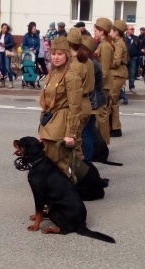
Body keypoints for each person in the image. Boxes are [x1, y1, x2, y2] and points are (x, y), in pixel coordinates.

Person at [38, 36, 83, 177]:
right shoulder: (51, 74)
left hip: (61, 124)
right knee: (49, 161)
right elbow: (46, 103)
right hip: (49, 122)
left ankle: (64, 192)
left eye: (60, 54)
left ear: (67, 55)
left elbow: (75, 107)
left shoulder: (71, 76)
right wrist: (41, 128)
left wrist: (71, 133)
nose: (56, 57)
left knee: (59, 163)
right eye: (53, 53)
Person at [67, 28, 95, 160]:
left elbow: (71, 89)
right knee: (80, 139)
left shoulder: (74, 64)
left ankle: (81, 174)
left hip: (77, 104)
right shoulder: (87, 60)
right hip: (86, 102)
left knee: (75, 143)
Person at [81, 35, 106, 161]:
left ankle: (88, 159)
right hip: (95, 99)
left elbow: (87, 85)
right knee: (89, 131)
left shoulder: (90, 63)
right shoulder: (92, 61)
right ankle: (89, 158)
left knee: (86, 132)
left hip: (92, 100)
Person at [94, 18, 114, 143]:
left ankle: (103, 144)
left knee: (102, 116)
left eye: (96, 30)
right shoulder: (102, 44)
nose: (94, 32)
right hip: (103, 84)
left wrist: (98, 84)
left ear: (102, 31)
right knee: (100, 116)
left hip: (103, 85)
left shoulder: (105, 46)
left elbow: (105, 70)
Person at [110, 20, 128, 138]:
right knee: (112, 102)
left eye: (111, 30)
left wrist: (104, 63)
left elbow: (116, 62)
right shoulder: (116, 42)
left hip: (117, 75)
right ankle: (113, 127)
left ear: (116, 32)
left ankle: (116, 128)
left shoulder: (119, 44)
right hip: (116, 75)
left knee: (112, 101)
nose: (110, 32)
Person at [125, 25, 139, 94]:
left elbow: (139, 47)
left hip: (133, 58)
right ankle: (122, 87)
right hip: (125, 58)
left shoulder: (136, 38)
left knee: (132, 73)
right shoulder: (123, 38)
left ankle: (131, 87)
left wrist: (138, 54)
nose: (133, 30)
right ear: (127, 30)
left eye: (133, 29)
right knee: (124, 73)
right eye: (131, 29)